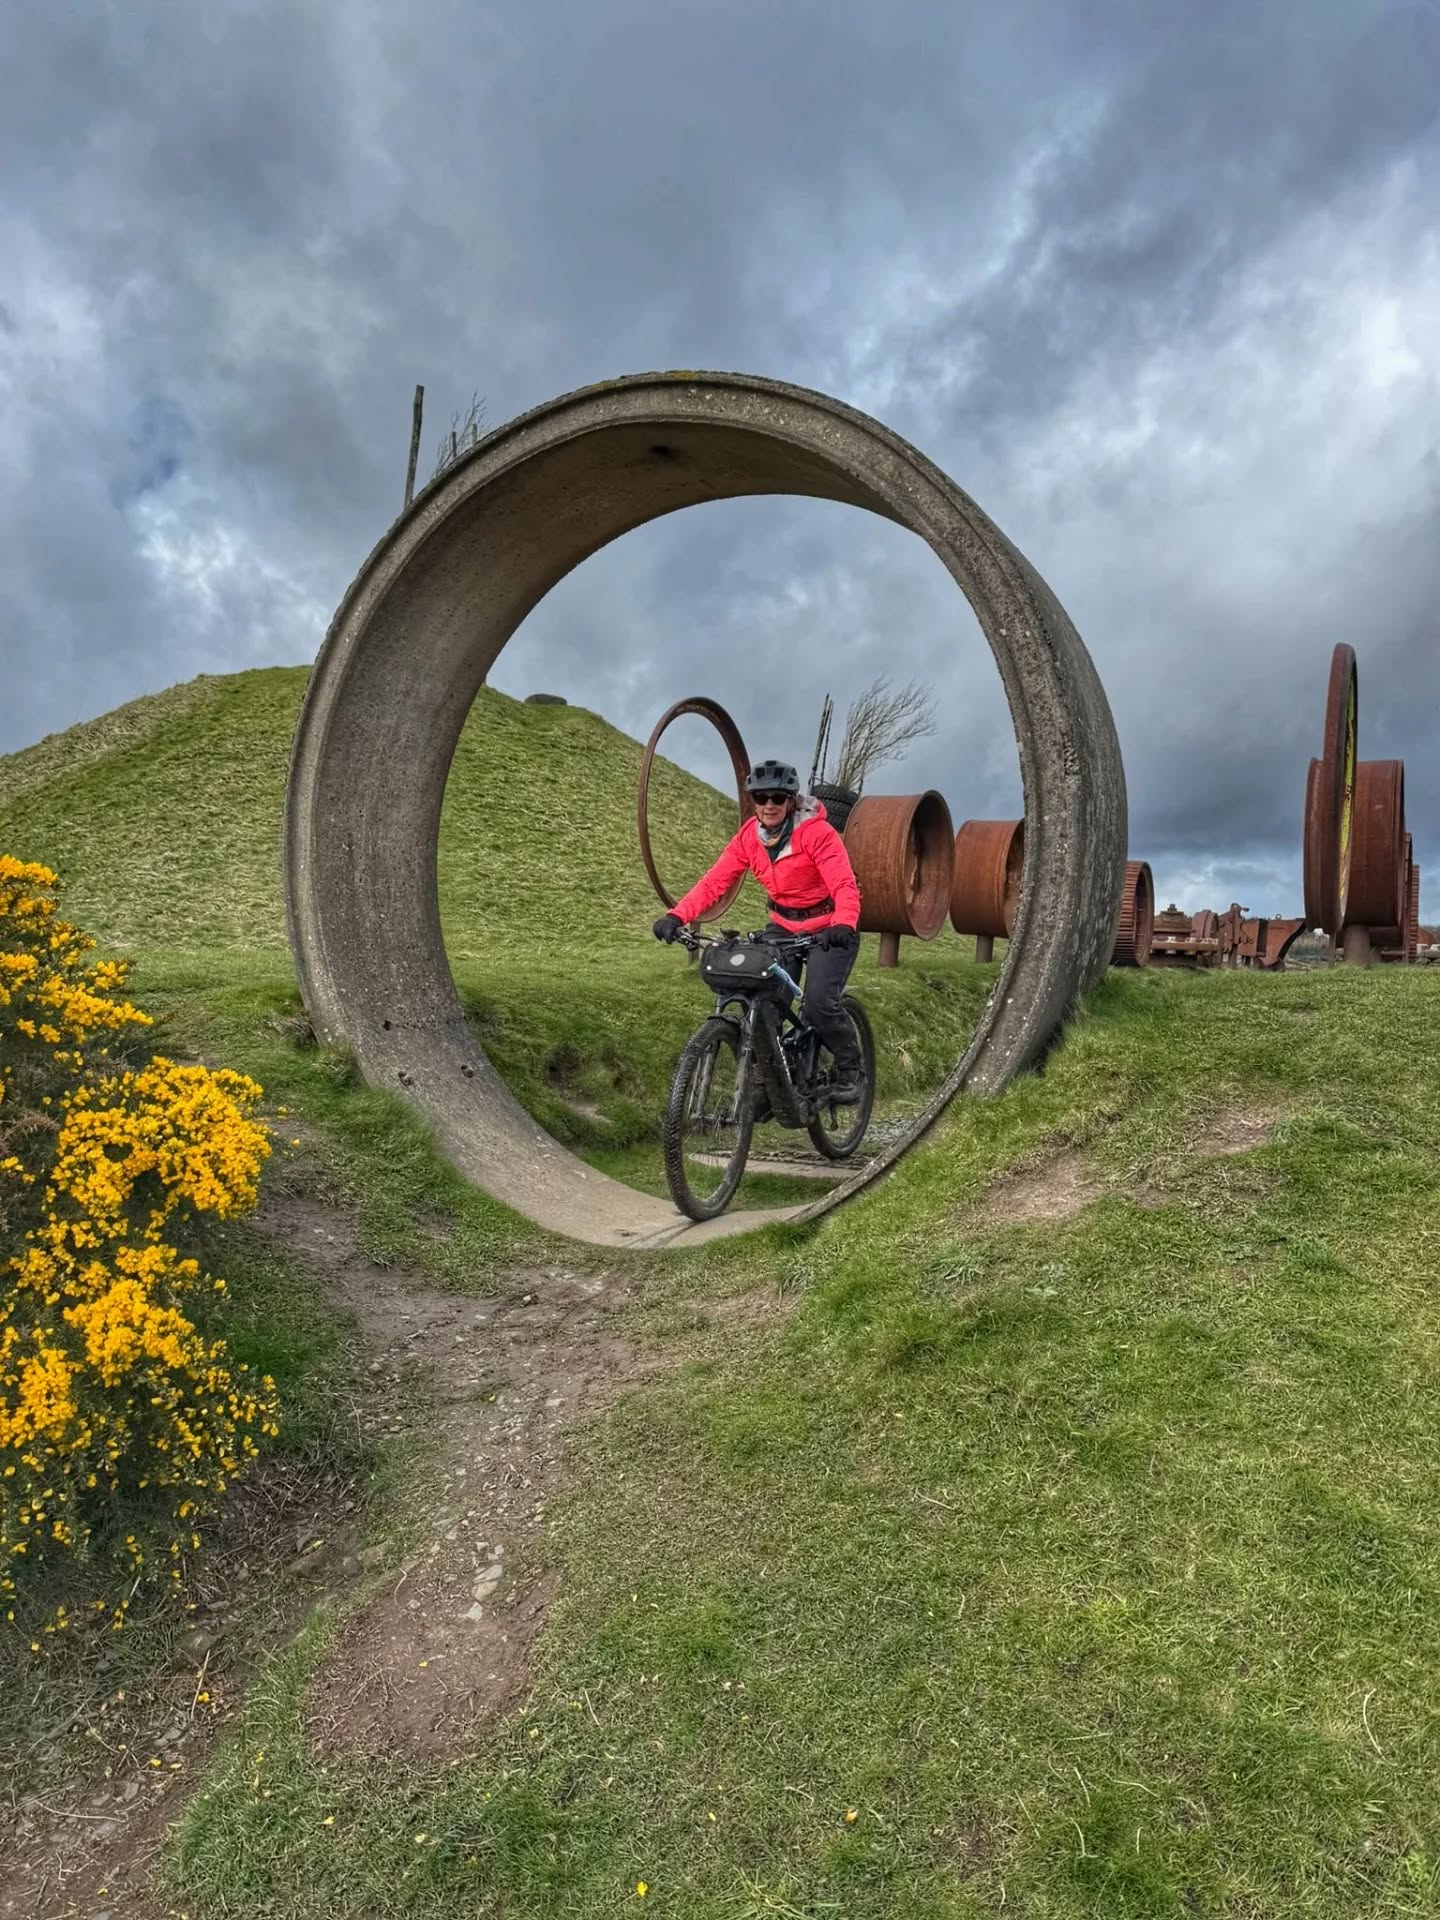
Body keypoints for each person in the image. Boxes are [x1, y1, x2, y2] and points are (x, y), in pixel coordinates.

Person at [653, 758, 865, 1099]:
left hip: (828, 927)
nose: (769, 805)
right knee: (765, 1002)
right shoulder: (749, 839)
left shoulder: (817, 833)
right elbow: (714, 882)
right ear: (753, 801)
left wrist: (843, 922)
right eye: (761, 797)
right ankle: (769, 1084)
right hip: (782, 926)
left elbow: (843, 883)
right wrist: (677, 915)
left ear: (792, 800)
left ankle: (851, 1069)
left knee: (817, 1004)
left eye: (777, 798)